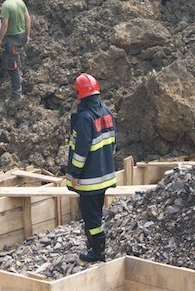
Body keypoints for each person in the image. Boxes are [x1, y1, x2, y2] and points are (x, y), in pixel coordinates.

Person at [66, 73, 117, 263]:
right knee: (96, 213)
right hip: (104, 175)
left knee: (92, 218)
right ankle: (95, 247)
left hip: (89, 179)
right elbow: (113, 143)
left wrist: (75, 173)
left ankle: (97, 252)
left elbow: (80, 152)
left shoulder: (85, 118)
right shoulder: (106, 112)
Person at [0, 0, 31, 97]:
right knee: (16, 59)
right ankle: (20, 80)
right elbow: (28, 19)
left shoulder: (6, 5)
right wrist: (28, 35)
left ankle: (16, 93)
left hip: (13, 39)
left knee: (12, 66)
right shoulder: (19, 1)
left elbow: (4, 25)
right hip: (21, 36)